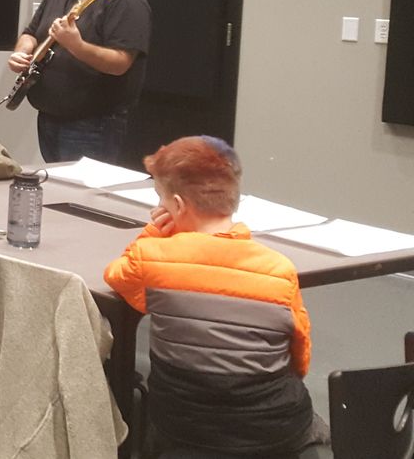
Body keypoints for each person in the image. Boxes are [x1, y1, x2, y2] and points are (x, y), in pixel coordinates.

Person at [104, 136, 328, 456]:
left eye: (160, 200)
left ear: (177, 205)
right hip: (272, 429)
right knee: (316, 426)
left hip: (184, 428)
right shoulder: (279, 269)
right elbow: (300, 356)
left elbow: (117, 276)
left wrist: (155, 232)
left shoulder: (152, 257)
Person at [7, 0, 150, 165]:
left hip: (94, 125)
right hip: (49, 118)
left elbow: (120, 63)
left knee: (82, 190)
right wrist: (22, 52)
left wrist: (77, 45)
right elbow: (30, 33)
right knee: (55, 186)